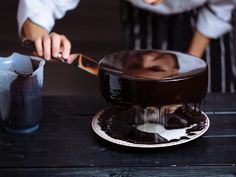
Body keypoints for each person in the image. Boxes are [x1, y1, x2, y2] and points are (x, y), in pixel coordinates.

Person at [17, 0, 236, 92]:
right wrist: (42, 39)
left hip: (205, 10)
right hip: (141, 19)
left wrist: (190, 70)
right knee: (139, 93)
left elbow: (220, 7)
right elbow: (41, 5)